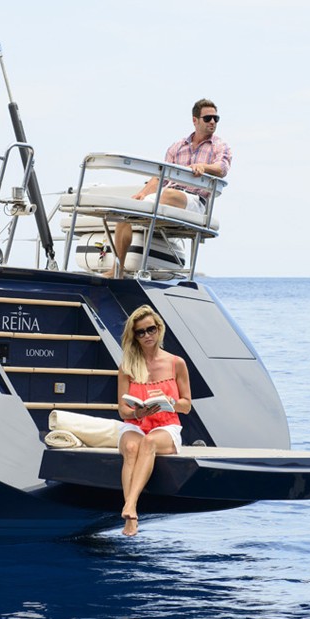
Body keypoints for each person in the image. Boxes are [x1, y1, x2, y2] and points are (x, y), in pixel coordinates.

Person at [111, 98, 232, 278]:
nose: (213, 122)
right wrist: (142, 194)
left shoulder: (219, 145)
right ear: (195, 120)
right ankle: (117, 270)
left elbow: (222, 168)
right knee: (126, 209)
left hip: (195, 201)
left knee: (169, 194)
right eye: (208, 118)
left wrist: (203, 167)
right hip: (166, 195)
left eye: (216, 118)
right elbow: (161, 176)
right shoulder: (177, 147)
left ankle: (143, 213)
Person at [116, 305, 192, 535]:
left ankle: (130, 506)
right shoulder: (127, 366)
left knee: (148, 443)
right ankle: (130, 515)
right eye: (140, 332)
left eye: (151, 329)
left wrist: (171, 401)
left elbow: (186, 405)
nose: (147, 335)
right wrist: (136, 413)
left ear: (159, 329)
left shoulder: (176, 363)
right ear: (134, 336)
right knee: (131, 447)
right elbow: (123, 410)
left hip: (166, 425)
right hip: (136, 424)